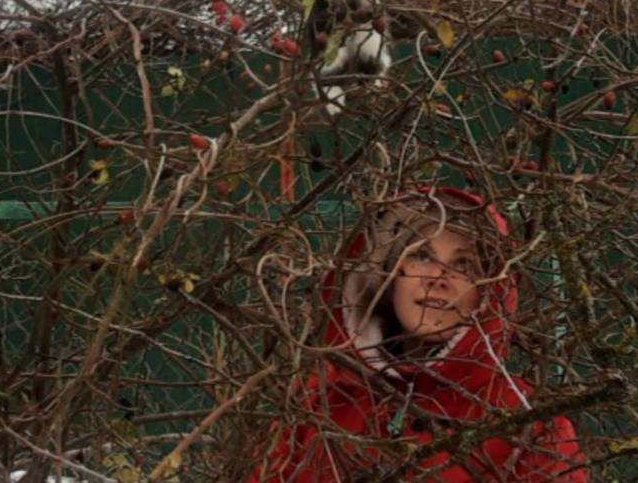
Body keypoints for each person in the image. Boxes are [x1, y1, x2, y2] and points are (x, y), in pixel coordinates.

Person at [246, 186, 587, 482]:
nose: (438, 276)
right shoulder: (317, 405)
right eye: (422, 256)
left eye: (465, 264)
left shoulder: (527, 422)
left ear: (487, 293)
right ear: (390, 275)